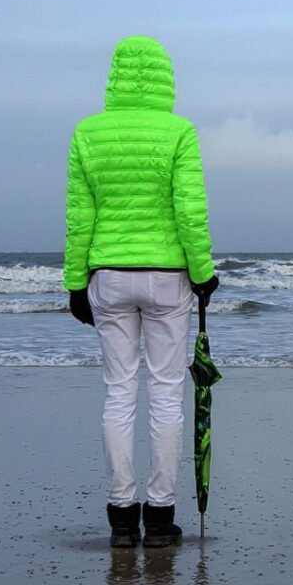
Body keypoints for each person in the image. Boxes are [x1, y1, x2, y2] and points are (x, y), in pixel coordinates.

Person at [63, 35, 219, 548]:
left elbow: (79, 217)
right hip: (167, 275)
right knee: (167, 393)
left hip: (107, 274)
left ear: (113, 76)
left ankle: (121, 518)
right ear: (164, 79)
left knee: (119, 393)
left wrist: (73, 283)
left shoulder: (87, 133)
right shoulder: (178, 132)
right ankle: (160, 517)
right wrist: (203, 272)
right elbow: (189, 210)